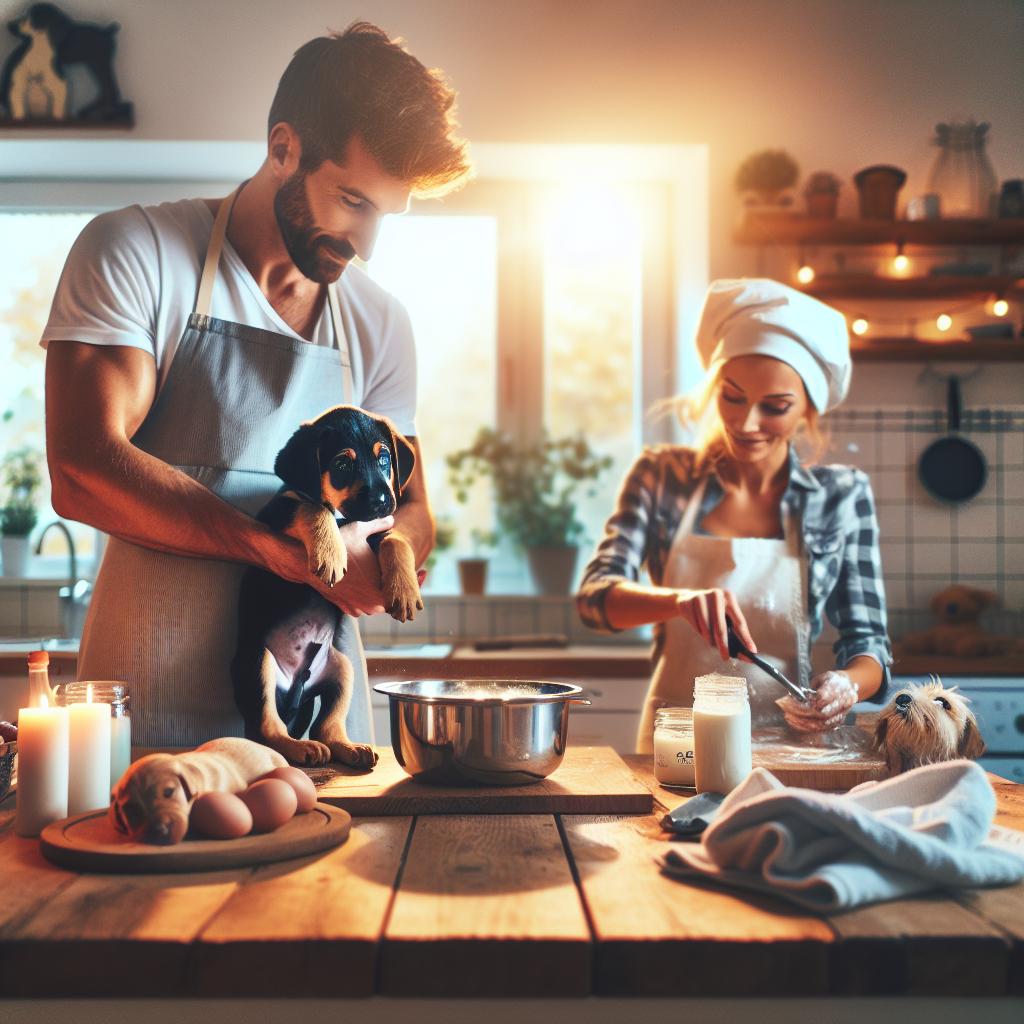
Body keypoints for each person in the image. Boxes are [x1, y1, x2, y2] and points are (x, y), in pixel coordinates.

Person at [41, 23, 472, 748]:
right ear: (283, 148)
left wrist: (390, 553)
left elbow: (413, 505)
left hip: (313, 721)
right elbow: (83, 471)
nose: (366, 244)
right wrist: (275, 548)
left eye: (384, 216)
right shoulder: (139, 254)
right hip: (149, 706)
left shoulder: (379, 322)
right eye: (352, 203)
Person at [577, 279, 891, 753]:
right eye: (733, 396)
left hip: (790, 746)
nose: (746, 424)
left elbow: (871, 647)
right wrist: (679, 602)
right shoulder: (663, 476)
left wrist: (846, 685)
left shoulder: (841, 496)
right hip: (676, 743)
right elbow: (595, 600)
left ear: (808, 407)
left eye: (775, 406)